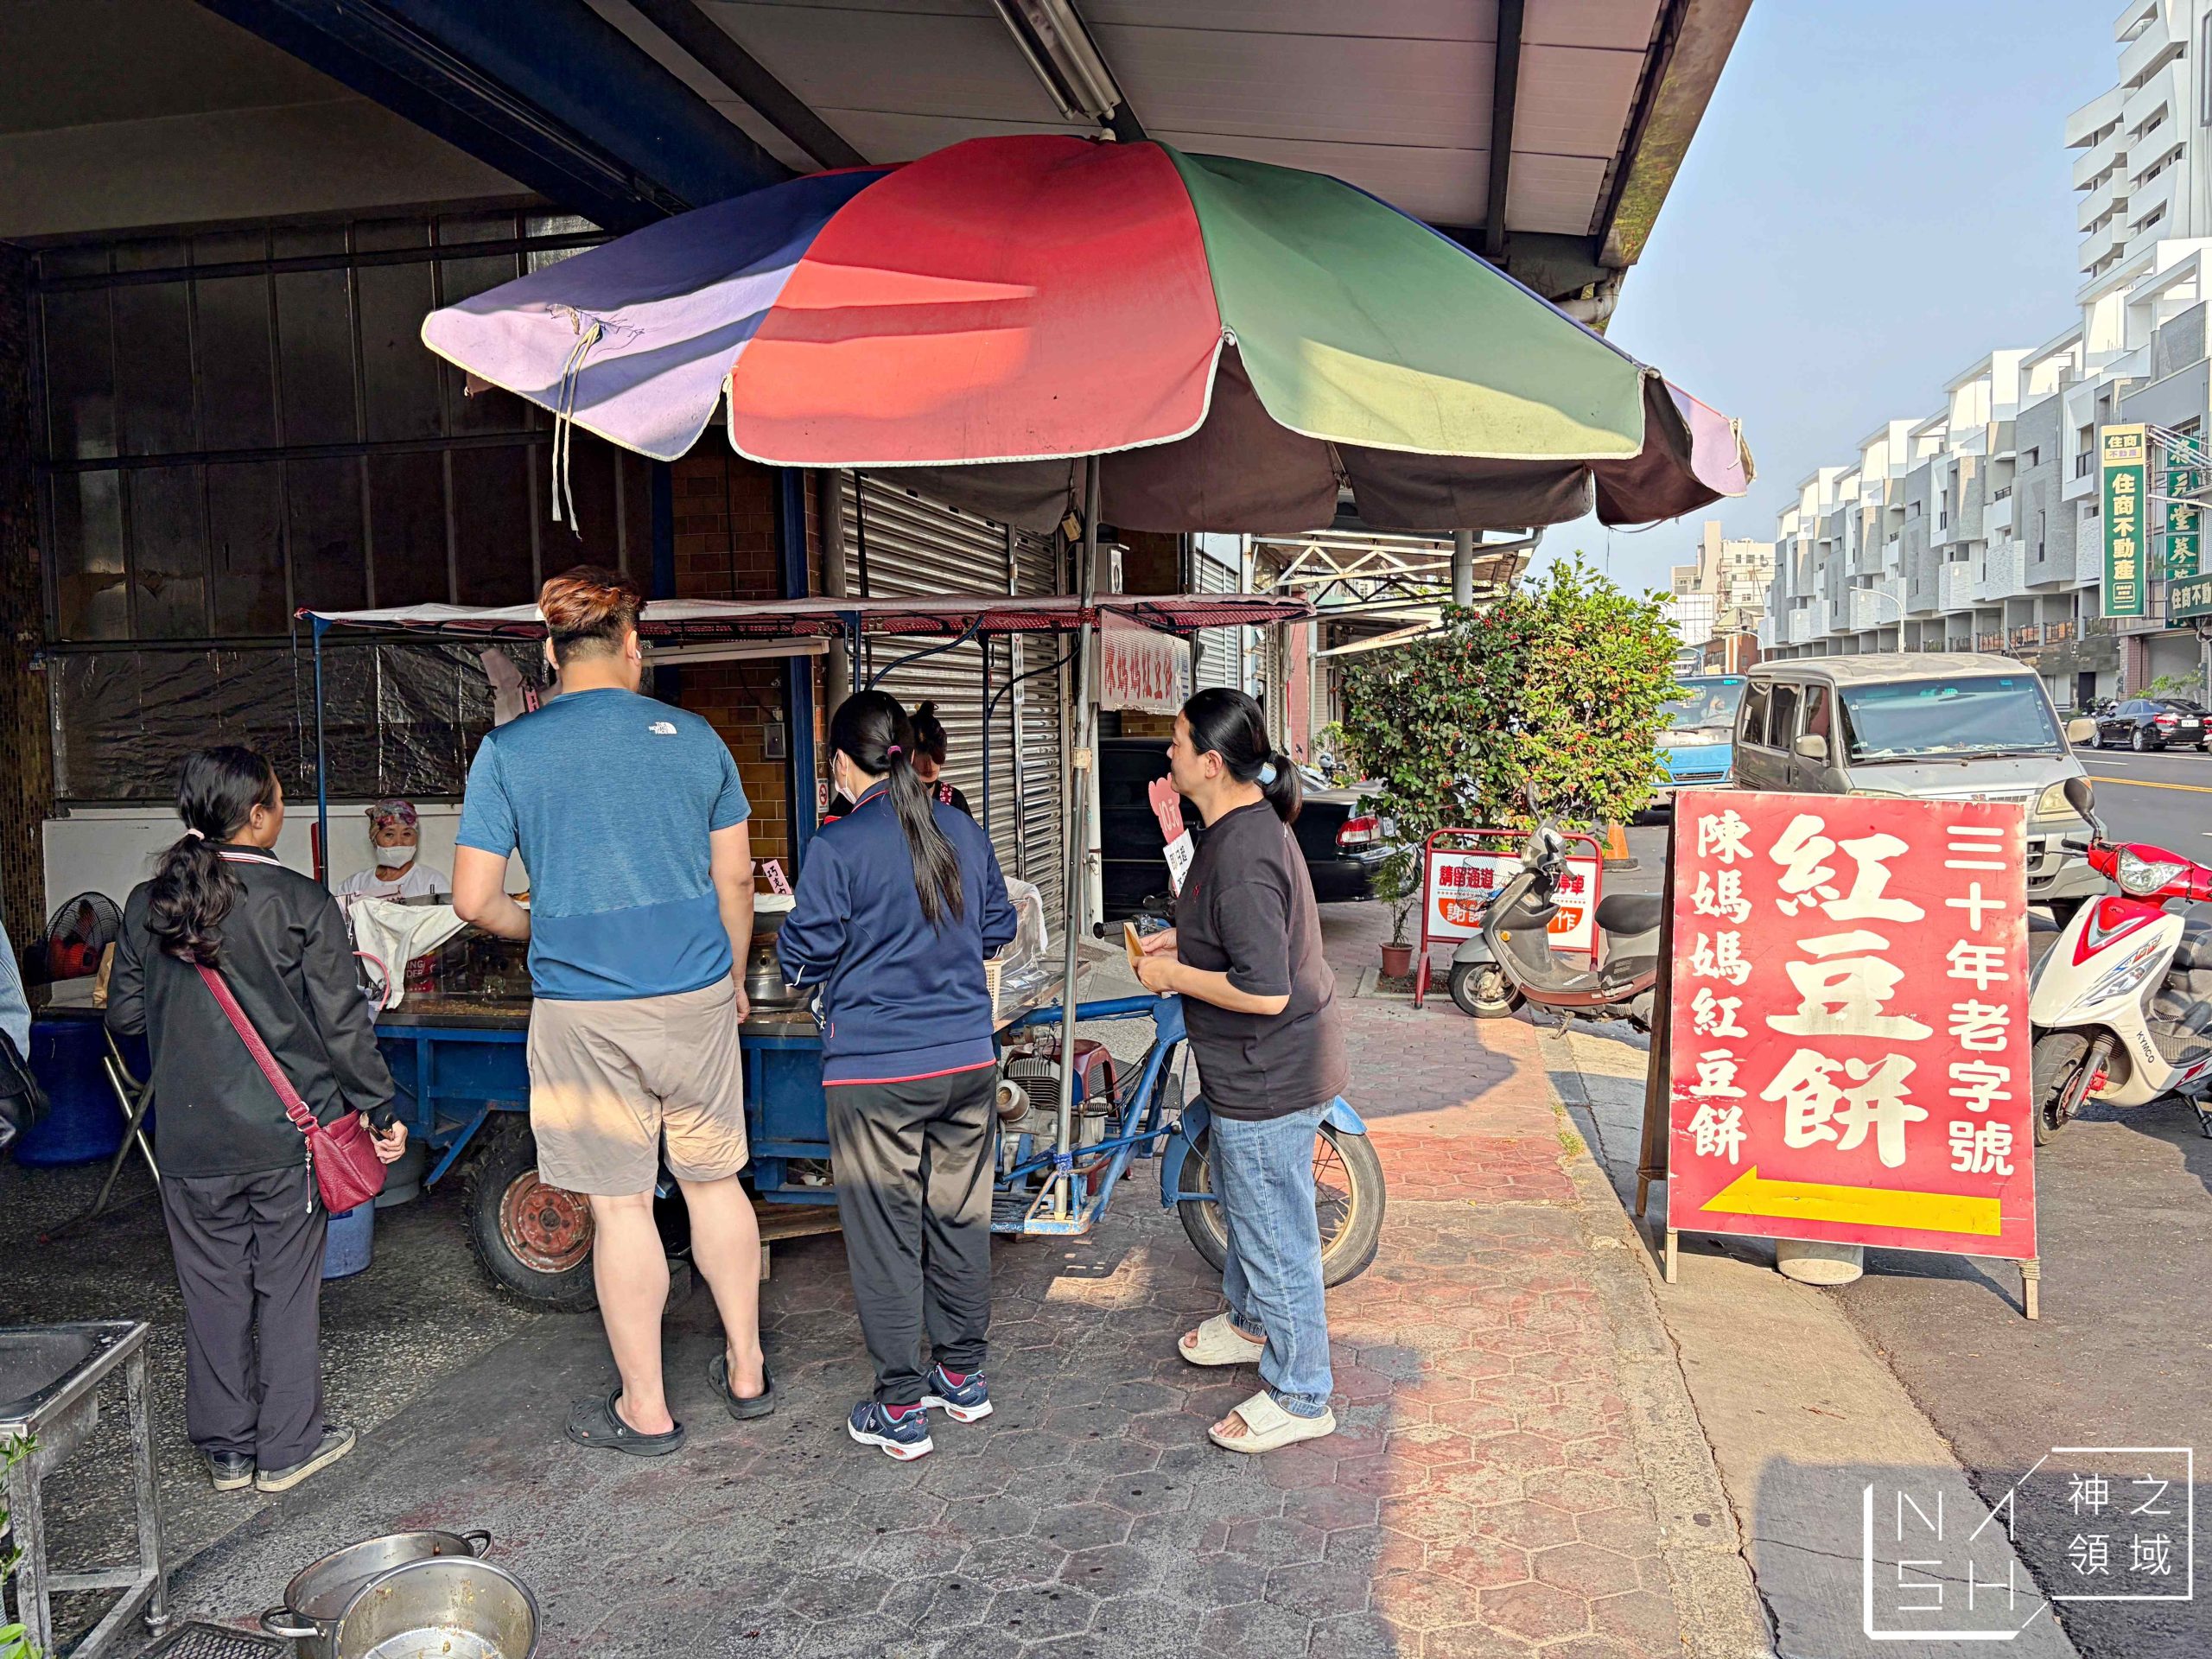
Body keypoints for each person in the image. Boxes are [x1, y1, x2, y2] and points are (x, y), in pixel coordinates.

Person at [451, 566, 768, 1457]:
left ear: (550, 655)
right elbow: (735, 878)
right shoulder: (697, 739)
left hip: (584, 1009)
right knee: (714, 1184)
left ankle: (647, 1408)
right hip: (696, 996)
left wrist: (543, 919)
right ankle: (746, 1370)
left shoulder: (510, 752)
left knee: (623, 1207)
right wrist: (733, 976)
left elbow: (474, 900)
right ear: (634, 649)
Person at [107, 747, 410, 1495]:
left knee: (211, 1290)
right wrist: (379, 1110)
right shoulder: (303, 904)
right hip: (286, 1139)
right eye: (278, 799)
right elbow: (344, 1029)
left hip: (187, 1140)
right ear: (257, 815)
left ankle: (228, 1452)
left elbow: (125, 1017)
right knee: (284, 1286)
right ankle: (285, 1448)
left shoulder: (149, 903)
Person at [777, 690, 1016, 1460]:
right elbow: (999, 928)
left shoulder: (838, 847)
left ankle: (901, 1409)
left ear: (845, 764)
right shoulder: (961, 829)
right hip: (967, 1061)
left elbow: (800, 957)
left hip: (874, 1073)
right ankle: (963, 1376)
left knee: (886, 1238)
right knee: (960, 1219)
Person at [1133, 688, 1348, 1454]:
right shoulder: (1233, 829)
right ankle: (1253, 1322)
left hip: (1268, 1072)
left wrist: (1174, 978)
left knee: (1273, 1232)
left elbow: (1264, 990)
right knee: (1246, 1203)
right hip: (1250, 1070)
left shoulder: (1247, 852)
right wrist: (1179, 948)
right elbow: (1238, 943)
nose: (1169, 753)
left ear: (1213, 763)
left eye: (1179, 743)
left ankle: (1302, 1391)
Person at [825, 700, 969, 822]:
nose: (928, 765)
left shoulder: (955, 801)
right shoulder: (876, 801)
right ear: (909, 755)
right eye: (922, 756)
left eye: (935, 757)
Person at [334, 799, 451, 901]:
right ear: (374, 839)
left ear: (416, 837)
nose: (399, 842)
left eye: (407, 834)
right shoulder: (353, 885)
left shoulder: (432, 882)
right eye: (389, 834)